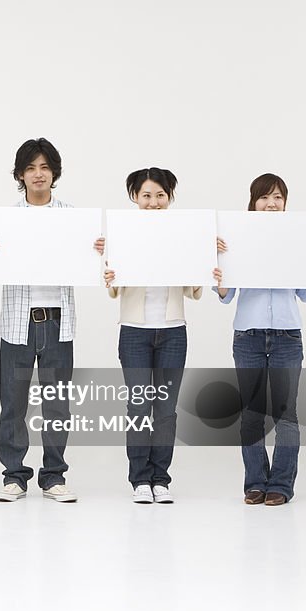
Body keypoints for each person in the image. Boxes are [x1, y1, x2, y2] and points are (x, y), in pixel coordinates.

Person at [213, 173, 306, 506]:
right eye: (264, 197)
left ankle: (281, 485)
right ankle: (255, 482)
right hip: (248, 335)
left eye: (278, 198)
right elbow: (225, 295)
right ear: (253, 203)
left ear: (285, 203)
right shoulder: (237, 237)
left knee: (286, 414)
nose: (271, 204)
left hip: (286, 335)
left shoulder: (297, 239)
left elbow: (305, 293)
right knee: (252, 413)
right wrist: (218, 260)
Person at [0, 138, 101, 503]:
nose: (38, 174)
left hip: (57, 321)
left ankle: (53, 475)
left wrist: (96, 250)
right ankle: (14, 475)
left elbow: (91, 263)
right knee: (14, 403)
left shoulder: (73, 217)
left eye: (45, 167)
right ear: (20, 174)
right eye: (31, 168)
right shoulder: (5, 220)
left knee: (56, 403)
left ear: (54, 173)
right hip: (17, 322)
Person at [98, 168, 202, 504]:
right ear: (135, 198)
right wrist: (109, 271)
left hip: (173, 330)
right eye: (146, 195)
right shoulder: (122, 234)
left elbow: (193, 288)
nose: (153, 202)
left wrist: (204, 265)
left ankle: (161, 478)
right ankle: (140, 478)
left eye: (160, 195)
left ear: (169, 198)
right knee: (140, 405)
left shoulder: (181, 233)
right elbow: (113, 287)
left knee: (167, 409)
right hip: (134, 333)